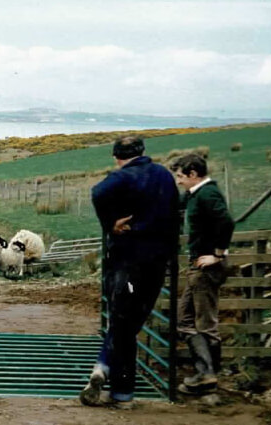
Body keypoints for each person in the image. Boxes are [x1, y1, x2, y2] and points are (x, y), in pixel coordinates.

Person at [80, 136, 180, 407]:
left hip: (126, 259)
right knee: (130, 324)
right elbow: (174, 210)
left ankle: (106, 370)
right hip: (157, 261)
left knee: (121, 321)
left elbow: (97, 192)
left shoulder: (122, 177)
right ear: (143, 152)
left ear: (116, 156)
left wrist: (110, 224)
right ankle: (120, 392)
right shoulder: (163, 175)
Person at [172, 154, 234, 394]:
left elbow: (226, 222)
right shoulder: (194, 194)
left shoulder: (208, 194)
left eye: (180, 176)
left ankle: (209, 377)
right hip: (197, 266)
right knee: (185, 320)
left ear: (193, 174)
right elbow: (177, 204)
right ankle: (206, 373)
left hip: (206, 267)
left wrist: (217, 255)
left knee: (205, 323)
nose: (178, 181)